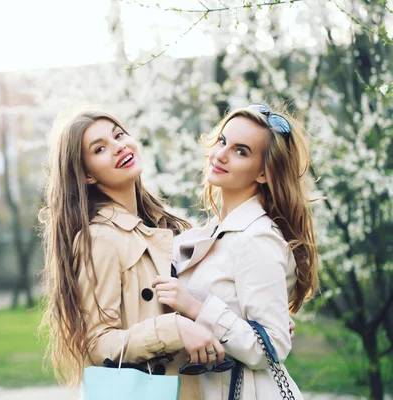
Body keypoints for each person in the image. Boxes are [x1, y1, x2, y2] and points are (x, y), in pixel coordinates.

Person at [39, 109, 226, 399]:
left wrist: (247, 317)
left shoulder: (157, 227)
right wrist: (172, 329)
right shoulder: (100, 237)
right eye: (100, 148)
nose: (118, 147)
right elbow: (96, 342)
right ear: (87, 174)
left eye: (119, 135)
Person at [152, 104, 319, 399]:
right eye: (222, 141)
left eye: (241, 151)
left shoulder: (257, 239)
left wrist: (194, 307)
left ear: (265, 173)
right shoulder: (216, 232)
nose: (221, 154)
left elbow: (272, 348)